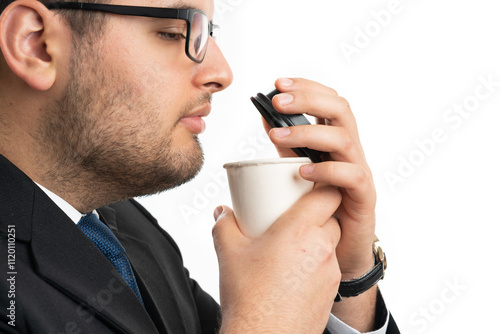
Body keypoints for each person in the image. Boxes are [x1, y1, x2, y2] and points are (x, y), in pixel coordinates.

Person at [0, 0, 400, 333]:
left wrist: (349, 278)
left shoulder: (127, 230)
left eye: (210, 32)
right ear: (34, 44)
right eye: (175, 33)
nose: (222, 73)